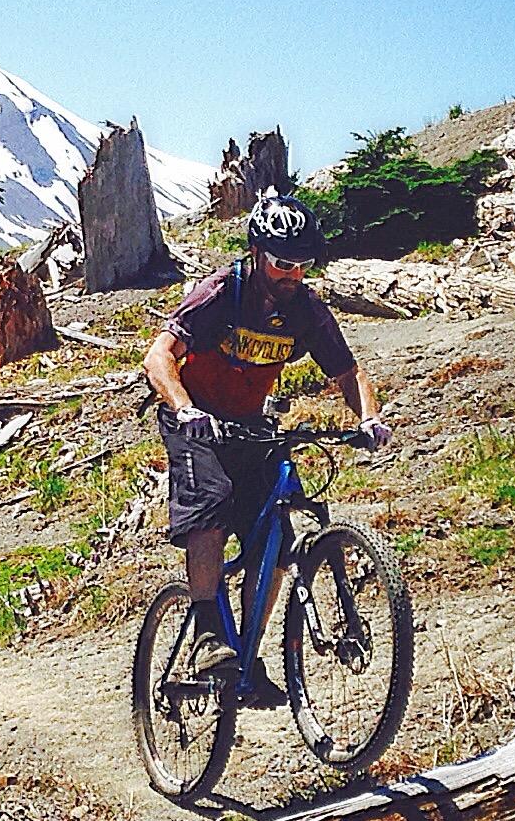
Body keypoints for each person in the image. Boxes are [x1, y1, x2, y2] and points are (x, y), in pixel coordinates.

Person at [140, 195, 391, 677]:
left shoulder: (305, 309)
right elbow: (158, 357)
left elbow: (347, 372)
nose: (292, 275)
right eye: (282, 263)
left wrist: (368, 418)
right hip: (194, 419)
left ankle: (248, 661)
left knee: (275, 540)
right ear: (257, 253)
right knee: (210, 506)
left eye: (303, 265)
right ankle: (208, 633)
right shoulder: (220, 294)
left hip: (249, 423)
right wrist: (185, 407)